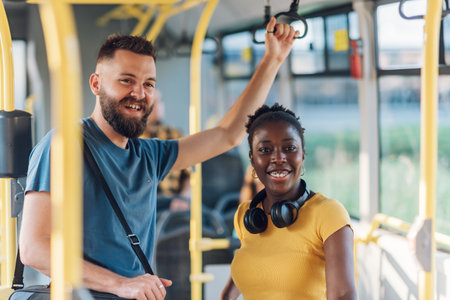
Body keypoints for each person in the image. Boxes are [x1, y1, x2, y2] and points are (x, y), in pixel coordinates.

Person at [19, 17, 300, 300]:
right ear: (96, 84)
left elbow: (227, 135)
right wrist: (121, 284)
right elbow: (33, 248)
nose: (139, 93)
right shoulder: (64, 145)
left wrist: (273, 59)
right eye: (126, 80)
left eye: (148, 84)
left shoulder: (149, 155)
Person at [220, 103, 357, 300]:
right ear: (252, 159)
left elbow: (343, 296)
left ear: (303, 154)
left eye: (290, 148)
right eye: (265, 149)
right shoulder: (246, 215)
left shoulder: (328, 213)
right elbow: (244, 276)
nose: (278, 158)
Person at [140, 90, 190, 211]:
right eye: (153, 102)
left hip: (173, 204)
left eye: (160, 101)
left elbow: (189, 176)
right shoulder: (130, 139)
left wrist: (184, 197)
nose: (158, 107)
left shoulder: (174, 135)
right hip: (143, 205)